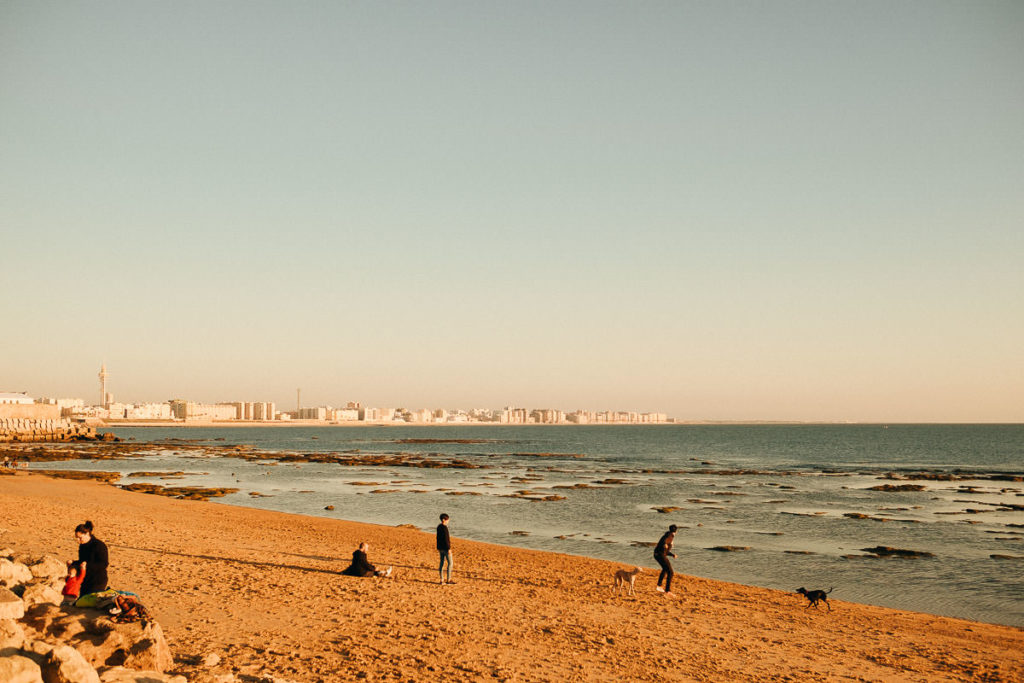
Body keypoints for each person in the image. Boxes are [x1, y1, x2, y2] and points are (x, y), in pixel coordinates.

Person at [75, 521, 109, 595]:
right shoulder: (82, 546)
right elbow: (82, 561)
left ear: (87, 534)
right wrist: (74, 563)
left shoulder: (99, 545)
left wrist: (86, 565)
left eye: (80, 538)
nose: (78, 540)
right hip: (85, 580)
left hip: (97, 581)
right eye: (76, 538)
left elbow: (104, 564)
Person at [654, 524, 678, 595]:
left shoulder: (668, 535)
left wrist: (672, 554)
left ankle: (659, 585)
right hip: (659, 555)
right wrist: (664, 544)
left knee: (665, 569)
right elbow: (664, 540)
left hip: (658, 554)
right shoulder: (669, 536)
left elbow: (666, 551)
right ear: (676, 532)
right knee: (670, 572)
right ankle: (668, 590)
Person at [437, 513, 453, 585]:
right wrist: (449, 549)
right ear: (444, 520)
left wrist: (438, 547)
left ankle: (441, 579)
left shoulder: (439, 527)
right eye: (447, 519)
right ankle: (448, 579)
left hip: (440, 548)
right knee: (450, 563)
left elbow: (438, 538)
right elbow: (446, 539)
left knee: (442, 563)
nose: (448, 521)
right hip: (445, 548)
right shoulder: (444, 528)